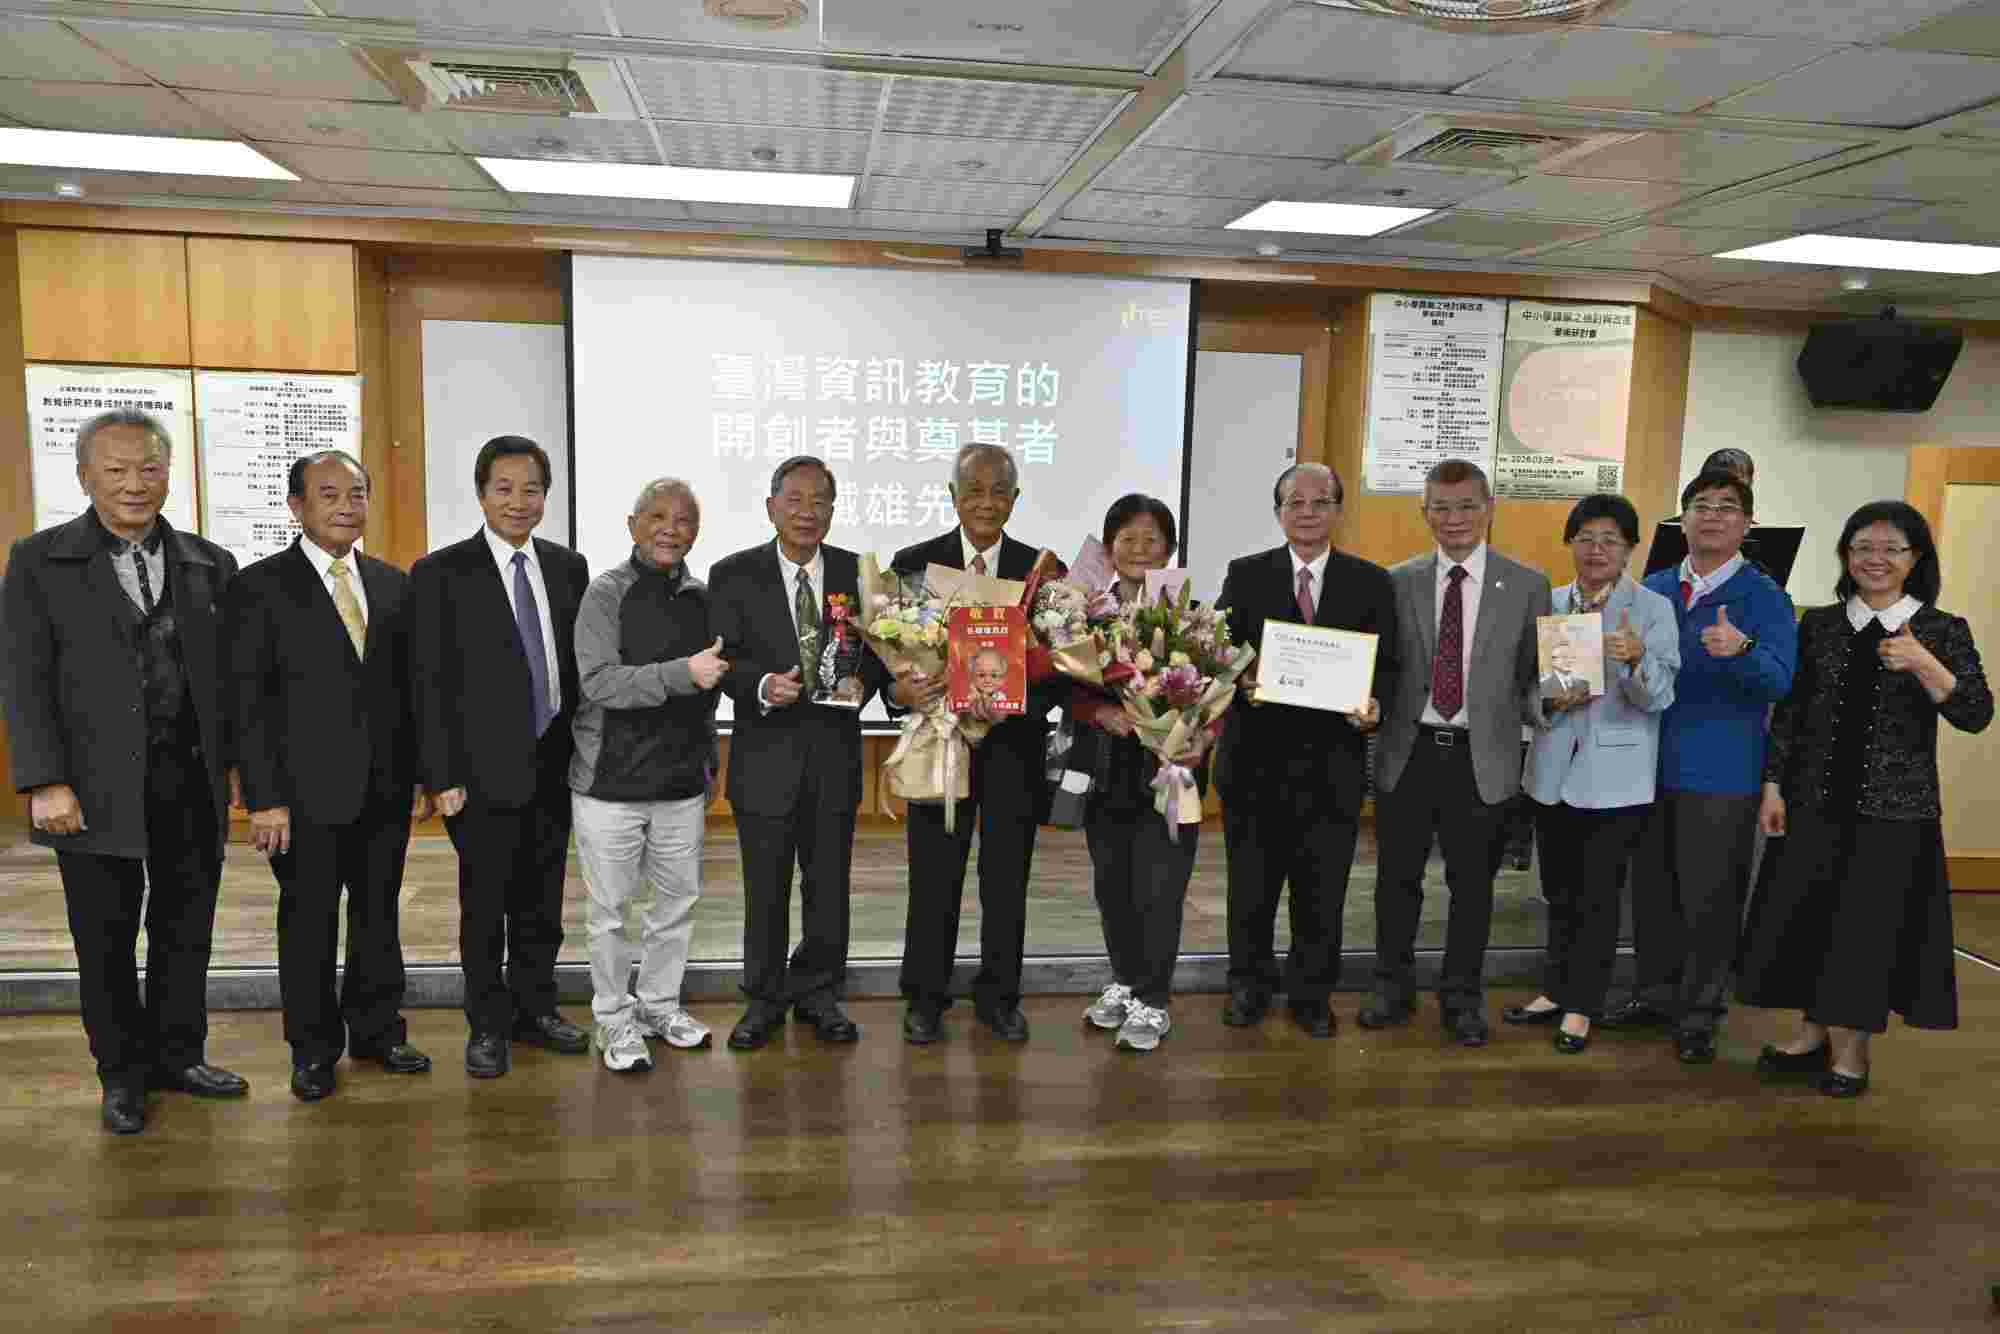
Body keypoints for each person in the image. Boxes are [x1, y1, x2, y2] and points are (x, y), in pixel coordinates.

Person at [1, 410, 245, 1133]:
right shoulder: (39, 561)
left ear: (169, 475)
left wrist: (238, 770)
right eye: (115, 470)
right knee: (104, 941)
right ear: (84, 477)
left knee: (185, 930)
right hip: (90, 788)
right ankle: (121, 1073)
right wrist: (44, 780)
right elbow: (22, 678)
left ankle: (180, 1054)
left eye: (149, 469)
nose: (134, 484)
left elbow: (232, 683)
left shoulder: (211, 563)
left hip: (190, 781)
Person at [1739, 501, 1990, 1097]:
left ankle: (1852, 1052)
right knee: (1808, 920)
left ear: (1916, 558)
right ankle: (1810, 1036)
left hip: (1893, 813)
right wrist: (1773, 786)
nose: (1876, 559)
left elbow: (1976, 712)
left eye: (1891, 548)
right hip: (1813, 801)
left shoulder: (1941, 629)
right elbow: (1791, 713)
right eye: (1862, 548)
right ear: (1846, 556)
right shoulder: (1821, 624)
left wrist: (1925, 664)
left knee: (1864, 933)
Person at [225, 450, 431, 1102]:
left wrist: (420, 775)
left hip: (385, 789)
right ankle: (312, 1049)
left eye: (357, 493)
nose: (347, 506)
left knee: (378, 916)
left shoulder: (394, 585)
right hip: (300, 798)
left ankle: (377, 1030)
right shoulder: (258, 587)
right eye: (329, 494)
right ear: (297, 506)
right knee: (309, 923)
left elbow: (411, 693)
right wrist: (264, 799)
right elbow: (248, 703)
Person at [711, 456, 912, 1051]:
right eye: (794, 499)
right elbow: (720, 658)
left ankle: (821, 992)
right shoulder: (733, 573)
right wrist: (758, 684)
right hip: (764, 757)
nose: (807, 511)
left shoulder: (859, 574)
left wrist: (864, 683)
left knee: (828, 888)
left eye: (820, 500)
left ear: (833, 508)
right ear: (771, 506)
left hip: (833, 756)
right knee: (765, 890)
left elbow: (882, 652)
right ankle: (764, 997)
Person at [409, 435, 592, 1079]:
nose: (519, 501)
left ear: (547, 496)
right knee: (485, 907)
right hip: (478, 775)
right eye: (505, 489)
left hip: (554, 765)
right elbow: (427, 682)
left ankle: (536, 1009)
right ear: (482, 495)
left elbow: (576, 669)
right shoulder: (440, 572)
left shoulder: (569, 568)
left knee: (543, 901)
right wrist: (440, 775)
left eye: (532, 489)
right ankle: (487, 1024)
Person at [1602, 468, 1798, 1065]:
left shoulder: (1764, 596)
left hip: (1721, 773)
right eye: (1702, 505)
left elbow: (1781, 682)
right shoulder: (1653, 587)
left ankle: (1700, 1012)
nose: (1713, 516)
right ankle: (1655, 996)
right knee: (1653, 894)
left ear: (1747, 523)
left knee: (1710, 900)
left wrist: (1742, 650)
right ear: (1681, 519)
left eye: (1727, 506)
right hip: (1645, 764)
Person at [1364, 459, 1551, 1047]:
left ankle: (1462, 998)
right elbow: (1379, 667)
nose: (1455, 519)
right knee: (1396, 882)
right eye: (1441, 508)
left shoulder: (1529, 586)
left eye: (1467, 505)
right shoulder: (1395, 581)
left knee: (1473, 888)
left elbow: (1534, 675)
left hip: (1483, 757)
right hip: (1408, 751)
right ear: (1424, 513)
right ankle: (1392, 988)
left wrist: (1550, 700)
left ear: (1489, 509)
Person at [1213, 463, 1398, 1038]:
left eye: (1321, 501)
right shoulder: (1246, 575)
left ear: (1338, 510)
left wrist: (1376, 704)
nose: (1308, 512)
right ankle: (1248, 986)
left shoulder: (1371, 581)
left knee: (1322, 894)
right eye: (1295, 502)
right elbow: (1218, 653)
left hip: (1332, 768)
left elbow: (1391, 666)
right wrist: (1240, 680)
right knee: (1251, 890)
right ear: (1278, 513)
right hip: (1255, 765)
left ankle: (1311, 995)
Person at [890, 444, 1056, 1045]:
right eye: (974, 490)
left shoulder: (1042, 572)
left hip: (1015, 748)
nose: (986, 502)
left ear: (1016, 498)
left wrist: (1016, 692)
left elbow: (1061, 667)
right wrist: (904, 691)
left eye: (999, 491)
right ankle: (925, 998)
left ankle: (1000, 997)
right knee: (933, 878)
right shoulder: (914, 564)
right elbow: (891, 657)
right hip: (941, 742)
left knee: (1006, 881)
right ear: (953, 496)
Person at [1507, 495, 1679, 1054]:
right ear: (1570, 544)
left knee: (1597, 897)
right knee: (1558, 892)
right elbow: (1524, 688)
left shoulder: (1652, 608)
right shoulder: (1550, 602)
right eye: (1585, 538)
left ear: (1630, 549)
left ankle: (1583, 1003)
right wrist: (1546, 704)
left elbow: (1660, 697)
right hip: (1552, 768)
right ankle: (1556, 989)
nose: (1596, 549)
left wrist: (1635, 660)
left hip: (1615, 777)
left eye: (1610, 540)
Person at [569, 478, 728, 1073]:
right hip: (610, 783)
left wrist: (708, 761)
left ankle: (660, 1006)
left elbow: (709, 693)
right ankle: (614, 1018)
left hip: (681, 783)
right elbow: (598, 682)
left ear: (696, 532)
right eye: (657, 517)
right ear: (632, 525)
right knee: (610, 913)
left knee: (676, 905)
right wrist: (680, 672)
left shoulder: (703, 598)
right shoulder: (605, 593)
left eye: (683, 520)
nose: (670, 529)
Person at [1071, 494, 1211, 1053]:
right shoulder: (1084, 612)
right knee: (1113, 886)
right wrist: (1098, 713)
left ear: (1169, 550)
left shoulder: (1191, 615)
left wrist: (1200, 735)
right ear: (1109, 549)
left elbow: (1214, 690)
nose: (1138, 548)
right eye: (1126, 538)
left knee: (1161, 887)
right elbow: (1062, 685)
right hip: (1107, 766)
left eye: (1152, 539)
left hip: (1169, 767)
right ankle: (1126, 981)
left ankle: (1153, 999)